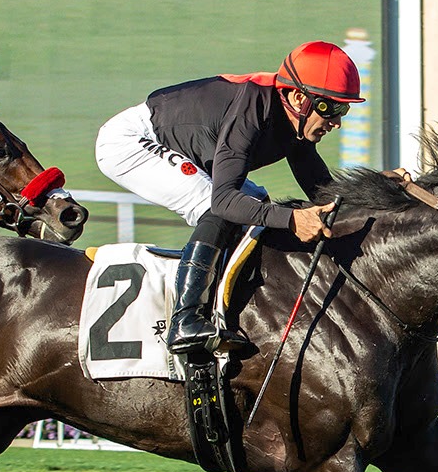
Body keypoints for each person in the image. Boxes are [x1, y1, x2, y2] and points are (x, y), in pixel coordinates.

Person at [95, 40, 360, 354]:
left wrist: (380, 193)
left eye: (343, 109)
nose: (337, 121)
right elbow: (223, 201)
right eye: (330, 107)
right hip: (130, 141)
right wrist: (291, 219)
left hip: (179, 146)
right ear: (299, 98)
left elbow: (324, 194)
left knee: (256, 202)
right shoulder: (251, 113)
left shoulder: (294, 124)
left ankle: (222, 307)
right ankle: (185, 319)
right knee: (219, 208)